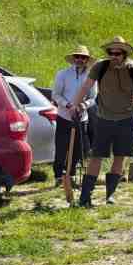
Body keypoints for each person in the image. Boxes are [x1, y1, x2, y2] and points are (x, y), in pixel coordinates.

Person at [74, 36, 133, 207]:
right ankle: (85, 198)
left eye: (117, 53)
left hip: (127, 120)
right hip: (104, 119)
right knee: (96, 157)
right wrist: (75, 105)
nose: (114, 55)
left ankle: (110, 195)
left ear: (124, 54)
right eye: (111, 52)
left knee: (119, 158)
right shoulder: (100, 67)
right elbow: (85, 87)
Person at [50, 45, 96, 187]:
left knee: (77, 150)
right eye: (77, 57)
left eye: (83, 57)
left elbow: (93, 97)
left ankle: (71, 176)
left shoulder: (91, 76)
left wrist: (83, 106)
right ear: (73, 59)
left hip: (81, 118)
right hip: (64, 116)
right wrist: (68, 105)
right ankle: (58, 177)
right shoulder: (62, 74)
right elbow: (56, 95)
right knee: (61, 148)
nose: (80, 59)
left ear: (87, 60)